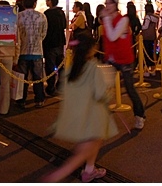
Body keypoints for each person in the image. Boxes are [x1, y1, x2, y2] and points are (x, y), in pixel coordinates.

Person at [40, 30, 117, 183]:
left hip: (77, 117)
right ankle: (54, 178)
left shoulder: (70, 70)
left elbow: (64, 91)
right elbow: (101, 93)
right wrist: (110, 92)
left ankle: (89, 169)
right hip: (92, 118)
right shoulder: (93, 68)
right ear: (91, 49)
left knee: (95, 142)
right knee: (81, 153)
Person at [100, 0, 145, 130]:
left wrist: (106, 18)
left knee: (130, 89)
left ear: (116, 5)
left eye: (110, 3)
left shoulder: (123, 20)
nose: (107, 6)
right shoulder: (107, 19)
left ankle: (140, 116)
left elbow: (113, 36)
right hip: (111, 59)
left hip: (125, 59)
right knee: (103, 88)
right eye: (106, 3)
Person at [15, 0, 48, 108]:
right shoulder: (42, 16)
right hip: (37, 51)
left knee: (22, 78)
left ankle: (21, 100)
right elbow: (44, 34)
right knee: (38, 78)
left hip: (22, 52)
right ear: (35, 3)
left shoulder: (18, 16)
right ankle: (39, 99)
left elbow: (16, 35)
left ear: (23, 3)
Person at [42, 0, 66, 97]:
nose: (46, 1)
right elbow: (64, 26)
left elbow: (45, 29)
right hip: (60, 43)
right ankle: (60, 86)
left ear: (50, 1)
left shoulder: (47, 14)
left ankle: (51, 88)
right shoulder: (61, 13)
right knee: (60, 66)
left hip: (50, 44)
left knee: (50, 67)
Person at [141, 4, 159, 76]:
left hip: (146, 37)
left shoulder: (147, 17)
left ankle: (147, 70)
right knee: (152, 53)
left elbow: (145, 27)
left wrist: (140, 27)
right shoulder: (155, 17)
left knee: (147, 54)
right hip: (153, 36)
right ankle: (153, 69)